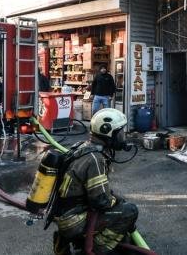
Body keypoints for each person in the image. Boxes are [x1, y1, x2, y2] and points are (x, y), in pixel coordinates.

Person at [50, 108, 138, 255]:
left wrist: (114, 199)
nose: (123, 136)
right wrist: (116, 202)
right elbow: (101, 202)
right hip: (74, 220)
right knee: (129, 211)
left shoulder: (82, 147)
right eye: (121, 132)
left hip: (65, 215)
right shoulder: (95, 159)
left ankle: (69, 239)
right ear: (108, 132)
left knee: (119, 202)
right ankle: (96, 249)